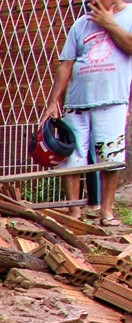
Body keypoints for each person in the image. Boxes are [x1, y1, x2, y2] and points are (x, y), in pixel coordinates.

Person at [44, 0, 132, 226]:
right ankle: (75, 212)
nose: (89, 2)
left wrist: (109, 24)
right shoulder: (81, 23)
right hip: (76, 102)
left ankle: (107, 212)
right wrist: (53, 101)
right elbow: (65, 64)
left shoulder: (129, 15)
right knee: (72, 158)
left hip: (112, 100)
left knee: (110, 157)